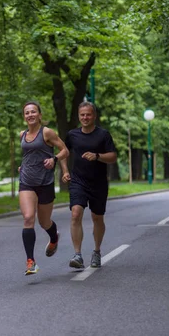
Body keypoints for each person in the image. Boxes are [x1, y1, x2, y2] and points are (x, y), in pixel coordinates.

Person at [62, 102, 117, 269]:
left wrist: (98, 156)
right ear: (79, 116)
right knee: (76, 213)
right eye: (82, 115)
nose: (85, 118)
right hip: (78, 181)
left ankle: (97, 251)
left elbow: (113, 156)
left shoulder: (103, 135)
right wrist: (65, 170)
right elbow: (63, 152)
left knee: (97, 218)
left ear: (94, 116)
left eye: (88, 114)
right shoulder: (72, 135)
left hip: (98, 182)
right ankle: (77, 255)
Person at [19, 102, 69, 276]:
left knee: (44, 222)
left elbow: (65, 150)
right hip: (26, 182)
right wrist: (22, 166)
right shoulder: (22, 135)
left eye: (33, 112)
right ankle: (31, 262)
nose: (30, 115)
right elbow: (27, 155)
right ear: (24, 116)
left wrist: (54, 160)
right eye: (27, 113)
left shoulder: (47, 132)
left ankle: (54, 237)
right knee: (28, 218)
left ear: (39, 115)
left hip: (45, 182)